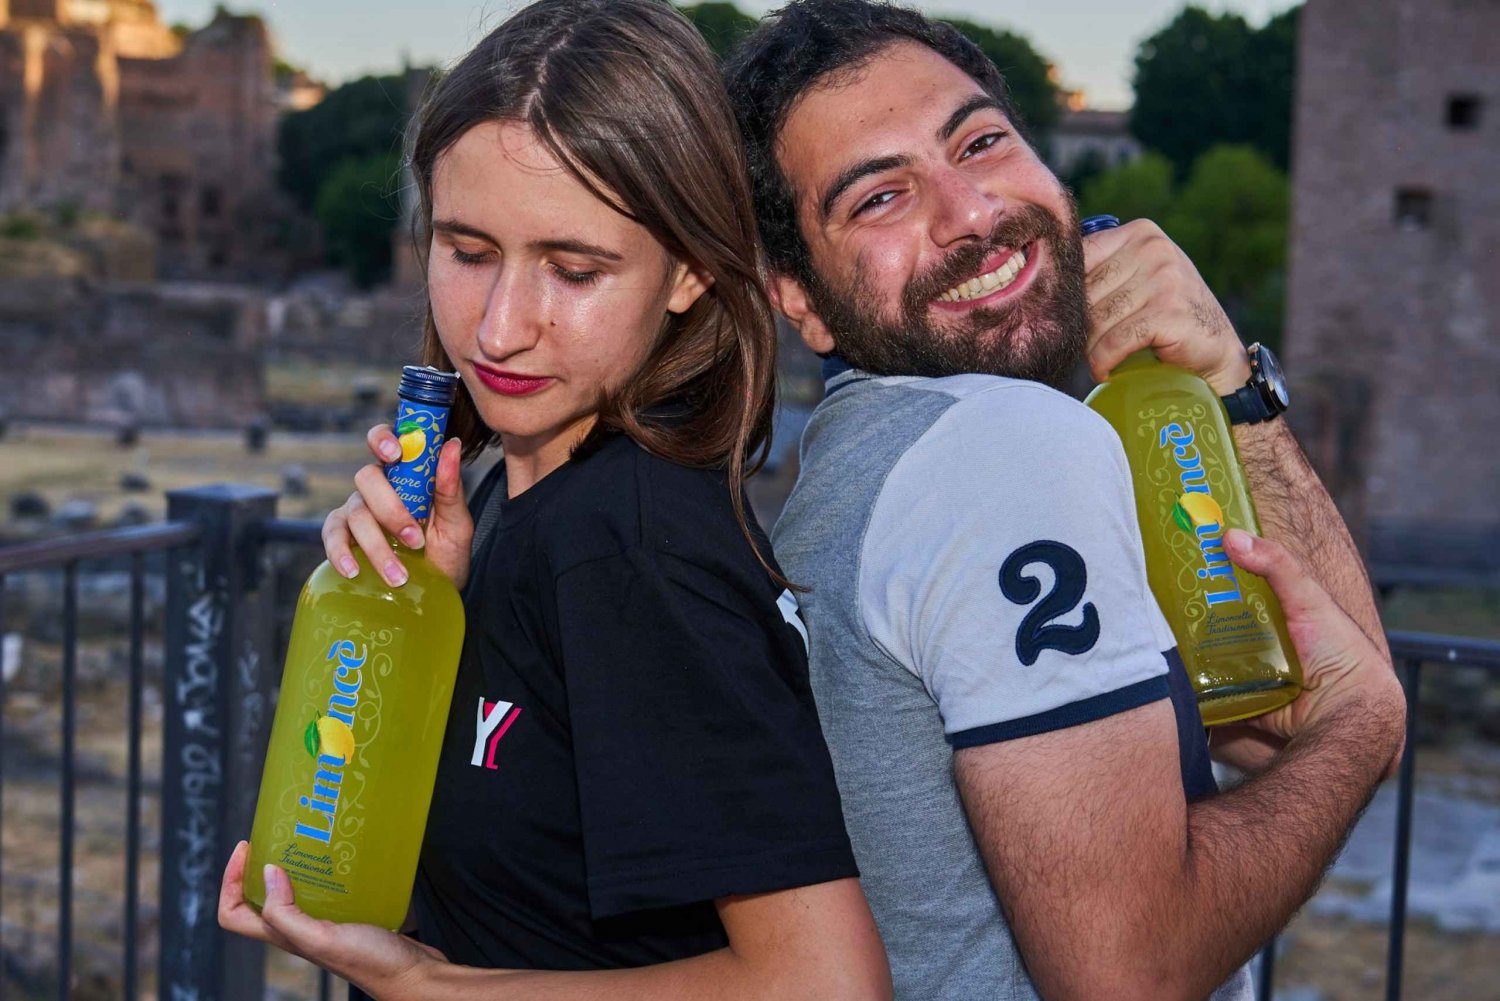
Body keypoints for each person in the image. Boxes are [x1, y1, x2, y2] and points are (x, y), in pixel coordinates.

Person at [724, 2, 1406, 998]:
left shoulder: (858, 461)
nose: (970, 213)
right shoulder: (1005, 450)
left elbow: (1284, 700)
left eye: (982, 142)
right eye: (879, 199)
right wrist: (1368, 727)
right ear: (796, 296)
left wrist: (1230, 390)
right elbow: (1127, 970)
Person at [217, 2, 892, 998]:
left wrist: (429, 988)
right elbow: (532, 879)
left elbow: (826, 981)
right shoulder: (517, 496)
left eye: (573, 268)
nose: (497, 328)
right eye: (467, 250)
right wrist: (428, 626)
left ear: (691, 271)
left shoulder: (629, 545)